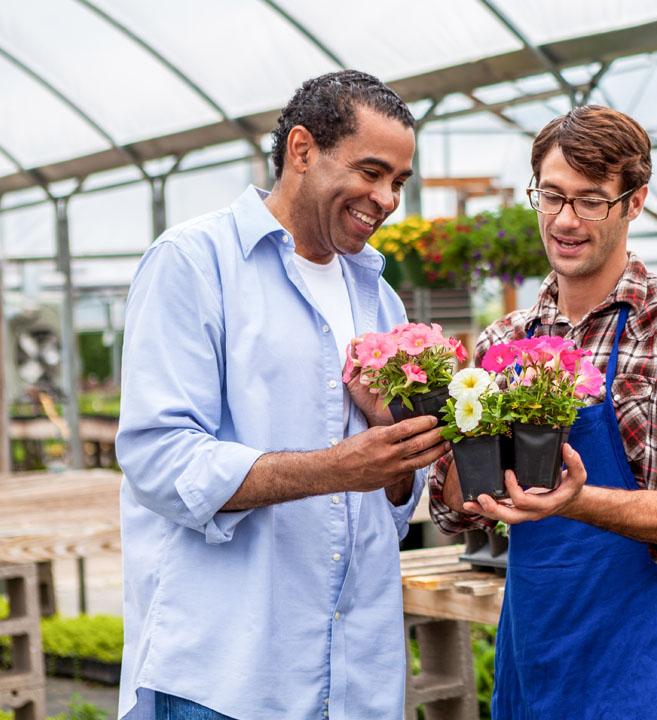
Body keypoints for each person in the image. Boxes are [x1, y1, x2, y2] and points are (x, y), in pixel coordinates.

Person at [116, 70, 446, 720]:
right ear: (301, 150)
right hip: (231, 677)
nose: (386, 199)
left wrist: (401, 468)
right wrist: (335, 468)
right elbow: (160, 460)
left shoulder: (379, 299)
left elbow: (393, 507)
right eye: (372, 172)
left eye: (398, 182)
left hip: (355, 681)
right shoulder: (194, 263)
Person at [428, 105, 657, 719]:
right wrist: (447, 421)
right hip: (532, 652)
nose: (566, 221)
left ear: (635, 201)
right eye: (552, 197)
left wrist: (576, 499)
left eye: (591, 200)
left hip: (638, 660)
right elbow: (451, 509)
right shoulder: (501, 343)